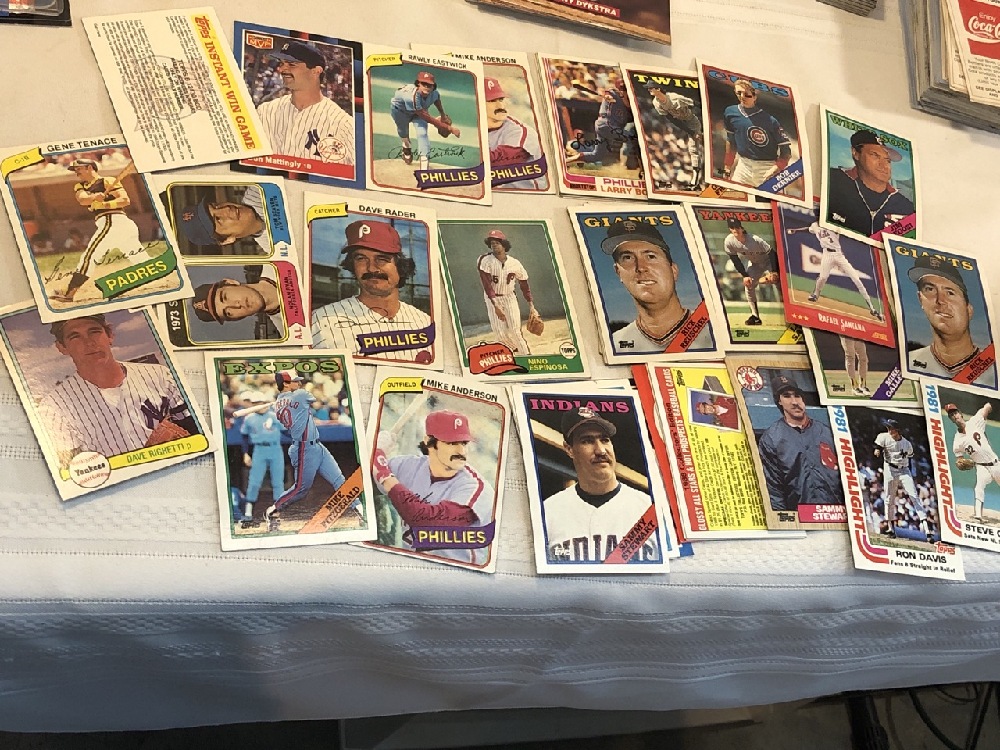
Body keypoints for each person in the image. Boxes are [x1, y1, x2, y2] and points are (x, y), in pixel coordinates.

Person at [37, 314, 197, 467]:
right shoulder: (53, 408)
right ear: (62, 347)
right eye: (75, 337)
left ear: (110, 335)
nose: (89, 342)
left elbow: (194, 428)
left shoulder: (159, 375)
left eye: (94, 332)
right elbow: (71, 470)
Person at [371, 410, 493, 564]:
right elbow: (362, 482)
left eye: (464, 443)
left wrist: (385, 476)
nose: (461, 451)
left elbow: (426, 523)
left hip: (456, 572)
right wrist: (374, 451)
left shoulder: (475, 488)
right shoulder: (406, 466)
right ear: (429, 441)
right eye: (451, 443)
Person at [542, 406, 661, 564]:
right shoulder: (548, 512)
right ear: (569, 449)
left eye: (605, 440)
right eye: (587, 441)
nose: (601, 450)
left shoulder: (648, 507)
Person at [311, 219, 432, 362]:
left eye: (382, 259)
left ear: (400, 266)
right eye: (361, 259)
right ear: (352, 265)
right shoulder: (320, 321)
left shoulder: (424, 322)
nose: (371, 268)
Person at [600, 220, 713, 353]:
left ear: (673, 270)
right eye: (627, 258)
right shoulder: (615, 344)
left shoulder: (714, 329)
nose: (641, 267)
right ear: (618, 272)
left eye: (651, 256)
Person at [54, 159, 153, 303]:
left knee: (89, 256)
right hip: (115, 224)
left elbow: (125, 200)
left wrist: (105, 204)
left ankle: (69, 293)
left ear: (89, 167)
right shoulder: (80, 186)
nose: (76, 172)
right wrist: (95, 197)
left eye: (79, 169)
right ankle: (170, 269)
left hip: (113, 221)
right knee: (140, 260)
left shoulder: (108, 181)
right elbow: (82, 200)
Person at [264, 370, 349, 530]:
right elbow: (319, 400)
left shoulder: (279, 405)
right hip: (303, 447)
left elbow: (287, 426)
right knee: (301, 490)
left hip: (313, 444)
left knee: (339, 480)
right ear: (286, 384)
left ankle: (360, 511)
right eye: (294, 381)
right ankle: (273, 510)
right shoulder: (301, 395)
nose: (299, 383)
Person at [255, 41, 355, 165]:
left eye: (291, 64)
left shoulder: (343, 124)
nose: (282, 69)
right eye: (282, 63)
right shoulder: (265, 111)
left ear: (316, 71)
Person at [757, 374, 842, 512]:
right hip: (801, 515)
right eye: (787, 396)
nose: (794, 402)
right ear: (779, 401)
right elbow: (774, 488)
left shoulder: (827, 432)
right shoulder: (771, 438)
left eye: (797, 396)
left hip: (835, 513)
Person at [905, 255, 995, 386]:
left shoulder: (994, 367)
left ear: (969, 309)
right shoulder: (908, 362)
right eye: (930, 289)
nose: (940, 300)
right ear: (920, 299)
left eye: (950, 293)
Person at [827, 129, 915, 239]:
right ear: (855, 153)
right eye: (875, 155)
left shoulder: (906, 207)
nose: (883, 165)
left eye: (887, 160)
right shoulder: (833, 179)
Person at [786, 222, 882, 319]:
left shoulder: (830, 223)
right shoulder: (815, 225)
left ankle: (872, 308)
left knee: (856, 279)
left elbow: (841, 228)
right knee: (822, 277)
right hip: (827, 254)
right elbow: (809, 229)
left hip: (838, 255)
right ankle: (815, 294)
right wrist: (796, 230)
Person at [477, 229, 537, 356]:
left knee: (515, 330)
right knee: (500, 333)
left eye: (497, 243)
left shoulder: (515, 263)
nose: (494, 245)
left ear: (504, 245)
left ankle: (526, 355)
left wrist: (532, 306)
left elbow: (524, 285)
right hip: (492, 298)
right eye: (492, 243)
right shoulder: (485, 261)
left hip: (509, 297)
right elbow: (487, 286)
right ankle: (514, 350)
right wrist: (496, 306)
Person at [722, 79, 792, 189]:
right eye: (739, 93)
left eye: (747, 94)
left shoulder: (770, 121)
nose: (742, 97)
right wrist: (727, 166)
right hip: (743, 166)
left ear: (755, 97)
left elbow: (786, 151)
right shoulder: (730, 112)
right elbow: (731, 140)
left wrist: (776, 168)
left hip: (766, 167)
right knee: (732, 195)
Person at [390, 70, 460, 172]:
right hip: (400, 111)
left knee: (422, 133)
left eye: (429, 85)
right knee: (403, 131)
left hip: (419, 111)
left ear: (433, 86)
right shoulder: (411, 96)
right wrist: (449, 128)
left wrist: (443, 115)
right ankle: (406, 145)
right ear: (418, 84)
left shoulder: (434, 93)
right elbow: (425, 116)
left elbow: (437, 100)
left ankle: (424, 167)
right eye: (424, 84)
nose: (427, 87)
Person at [484, 77, 547, 190]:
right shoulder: (476, 128)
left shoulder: (518, 131)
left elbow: (500, 162)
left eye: (501, 99)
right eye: (492, 101)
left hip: (527, 194)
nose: (500, 106)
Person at [566, 78, 639, 170]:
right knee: (632, 138)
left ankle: (566, 161)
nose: (625, 92)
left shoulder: (631, 105)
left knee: (597, 155)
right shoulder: (614, 94)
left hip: (608, 128)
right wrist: (608, 97)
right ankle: (632, 166)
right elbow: (608, 93)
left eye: (626, 89)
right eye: (623, 89)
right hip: (606, 125)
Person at [873, 419, 927, 540]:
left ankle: (926, 527)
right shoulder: (883, 437)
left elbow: (910, 456)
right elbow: (878, 446)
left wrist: (911, 474)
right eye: (888, 427)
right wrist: (877, 450)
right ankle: (890, 528)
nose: (889, 429)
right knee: (889, 499)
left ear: (897, 430)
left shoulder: (906, 444)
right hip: (890, 468)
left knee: (914, 495)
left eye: (891, 427)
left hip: (903, 470)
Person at [946, 402, 1000, 522]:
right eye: (951, 415)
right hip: (981, 467)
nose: (954, 416)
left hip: (995, 464)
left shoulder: (975, 421)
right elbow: (959, 458)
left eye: (955, 413)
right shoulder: (957, 441)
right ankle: (978, 515)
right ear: (951, 419)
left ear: (960, 414)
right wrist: (960, 463)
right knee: (978, 487)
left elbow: (987, 406)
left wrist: (988, 408)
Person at [236, 392, 285, 523]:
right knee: (254, 481)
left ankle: (276, 511)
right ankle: (248, 513)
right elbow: (244, 437)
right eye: (256, 403)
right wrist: (245, 453)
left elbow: (286, 431)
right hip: (259, 449)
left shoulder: (274, 416)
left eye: (261, 403)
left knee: (278, 482)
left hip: (275, 448)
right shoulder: (249, 418)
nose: (259, 405)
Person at [644, 78, 702, 188]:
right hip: (679, 124)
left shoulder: (674, 97)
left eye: (651, 88)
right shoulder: (656, 103)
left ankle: (695, 178)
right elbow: (671, 119)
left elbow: (695, 104)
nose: (649, 90)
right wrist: (690, 132)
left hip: (691, 120)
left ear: (658, 88)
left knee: (693, 148)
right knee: (684, 146)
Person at [190, 264, 283, 332]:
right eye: (228, 313)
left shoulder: (276, 262)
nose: (236, 305)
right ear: (236, 319)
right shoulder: (287, 329)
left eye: (225, 297)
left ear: (231, 282)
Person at [177, 186, 269, 253]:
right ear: (227, 240)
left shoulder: (260, 190)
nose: (226, 209)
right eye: (218, 219)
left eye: (216, 206)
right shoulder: (271, 247)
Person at [723, 218, 778, 326]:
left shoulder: (754, 239)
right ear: (730, 229)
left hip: (768, 261)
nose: (735, 229)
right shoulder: (729, 241)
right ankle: (755, 316)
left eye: (737, 227)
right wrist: (745, 275)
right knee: (748, 285)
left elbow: (771, 252)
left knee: (779, 283)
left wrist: (774, 271)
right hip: (755, 264)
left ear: (741, 228)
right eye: (732, 227)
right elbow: (735, 260)